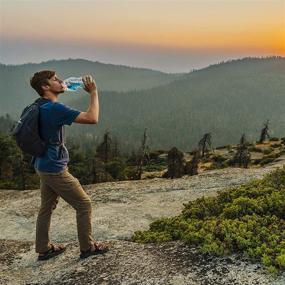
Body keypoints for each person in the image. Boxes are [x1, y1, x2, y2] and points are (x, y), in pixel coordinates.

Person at [29, 70, 109, 260]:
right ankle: (87, 247)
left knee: (46, 207)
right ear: (45, 87)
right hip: (54, 168)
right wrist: (93, 92)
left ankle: (43, 248)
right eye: (55, 80)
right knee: (83, 204)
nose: (61, 81)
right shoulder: (54, 109)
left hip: (41, 163)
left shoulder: (40, 105)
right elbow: (92, 118)